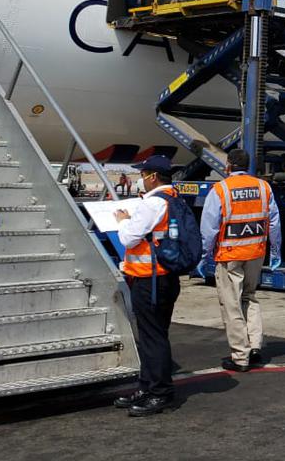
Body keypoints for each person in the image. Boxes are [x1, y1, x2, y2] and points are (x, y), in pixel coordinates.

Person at [111, 155, 182, 416]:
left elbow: (129, 238)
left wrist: (122, 220)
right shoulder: (173, 198)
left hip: (149, 281)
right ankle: (148, 387)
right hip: (165, 278)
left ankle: (160, 393)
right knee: (155, 335)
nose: (141, 178)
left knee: (152, 338)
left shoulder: (152, 203)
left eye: (143, 174)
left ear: (153, 176)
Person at [200, 149, 281, 372]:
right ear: (249, 165)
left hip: (230, 255)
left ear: (228, 166)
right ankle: (255, 346)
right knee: (250, 297)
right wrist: (276, 250)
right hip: (256, 253)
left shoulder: (221, 190)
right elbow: (273, 222)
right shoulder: (263, 187)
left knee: (232, 305)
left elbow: (209, 229)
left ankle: (240, 356)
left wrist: (203, 256)